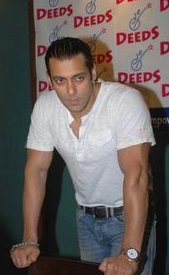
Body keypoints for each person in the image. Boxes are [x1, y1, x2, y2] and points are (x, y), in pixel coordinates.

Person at [10, 37, 156, 275]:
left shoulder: (124, 101)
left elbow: (137, 175)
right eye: (60, 81)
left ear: (93, 72)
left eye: (78, 78)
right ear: (50, 80)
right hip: (85, 219)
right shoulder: (45, 107)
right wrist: (30, 239)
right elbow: (36, 170)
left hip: (128, 217)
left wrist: (130, 253)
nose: (70, 91)